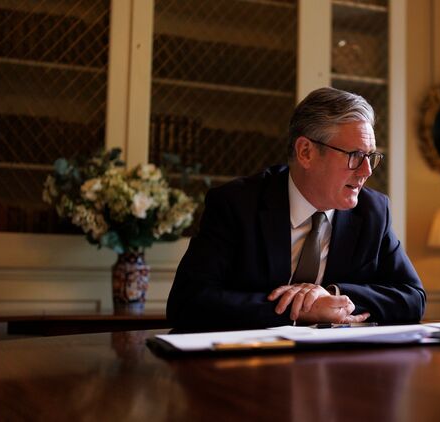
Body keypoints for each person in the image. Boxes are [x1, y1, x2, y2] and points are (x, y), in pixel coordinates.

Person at [167, 87, 426, 330]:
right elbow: (187, 302)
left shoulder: (373, 211)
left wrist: (333, 295)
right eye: (355, 156)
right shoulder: (236, 204)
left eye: (370, 157)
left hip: (339, 359)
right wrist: (300, 310)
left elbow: (413, 297)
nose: (366, 171)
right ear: (305, 152)